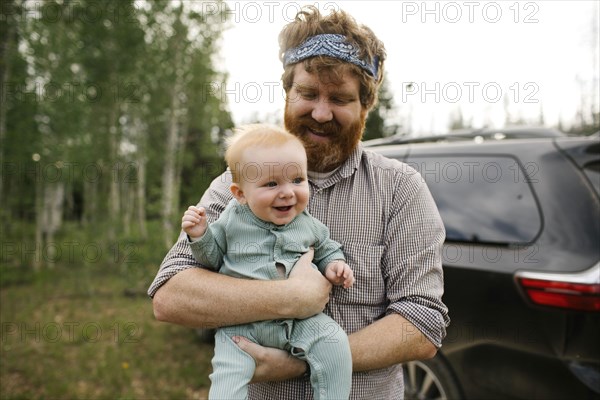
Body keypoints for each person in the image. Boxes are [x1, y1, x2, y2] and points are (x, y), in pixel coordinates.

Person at [149, 6, 450, 399]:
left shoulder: (400, 189)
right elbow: (172, 296)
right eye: (308, 93)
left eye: (340, 98)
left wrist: (302, 362)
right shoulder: (237, 184)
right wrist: (290, 298)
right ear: (288, 92)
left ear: (365, 106)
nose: (321, 113)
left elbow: (422, 325)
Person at [181, 124, 354, 399]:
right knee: (227, 382)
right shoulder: (232, 218)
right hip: (241, 326)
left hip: (299, 321)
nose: (287, 192)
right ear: (239, 194)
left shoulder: (308, 224)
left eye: (297, 180)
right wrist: (200, 235)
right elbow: (212, 258)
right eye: (271, 184)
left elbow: (326, 249)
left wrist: (335, 266)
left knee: (334, 343)